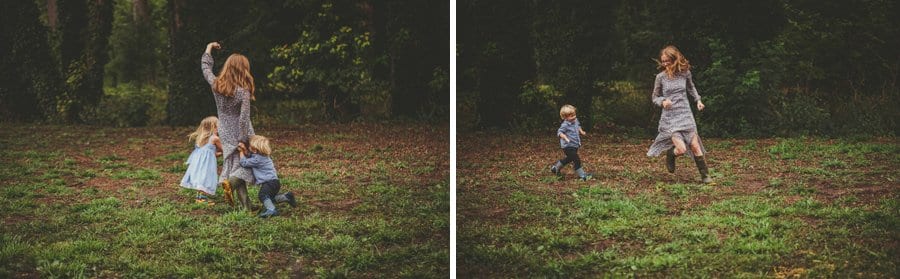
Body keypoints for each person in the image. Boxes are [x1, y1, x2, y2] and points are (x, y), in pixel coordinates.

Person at [201, 41, 256, 209]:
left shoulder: (217, 84)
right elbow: (243, 118)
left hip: (224, 129)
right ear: (243, 69)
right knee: (250, 165)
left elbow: (206, 69)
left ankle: (247, 205)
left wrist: (209, 49)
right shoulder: (243, 92)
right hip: (241, 131)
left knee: (235, 166)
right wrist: (243, 139)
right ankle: (229, 184)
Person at [646, 45, 712, 183]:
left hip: (686, 114)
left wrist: (698, 100)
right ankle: (671, 153)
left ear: (674, 60)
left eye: (667, 61)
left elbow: (691, 88)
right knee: (681, 149)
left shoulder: (685, 73)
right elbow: (654, 97)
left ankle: (705, 176)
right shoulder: (660, 77)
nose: (664, 64)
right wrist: (663, 101)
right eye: (662, 61)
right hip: (671, 117)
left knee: (694, 145)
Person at [238, 135, 297, 218]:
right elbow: (250, 155)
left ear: (255, 150)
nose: (248, 147)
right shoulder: (261, 156)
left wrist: (241, 151)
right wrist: (245, 150)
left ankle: (272, 210)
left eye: (249, 146)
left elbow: (244, 163)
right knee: (270, 198)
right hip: (274, 182)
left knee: (262, 195)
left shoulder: (258, 159)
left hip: (269, 183)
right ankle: (286, 197)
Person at [180, 116, 223, 204]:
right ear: (213, 126)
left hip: (198, 162)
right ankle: (202, 199)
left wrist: (216, 154)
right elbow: (224, 149)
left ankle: (199, 198)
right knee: (205, 178)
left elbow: (208, 152)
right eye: (219, 125)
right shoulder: (215, 138)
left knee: (201, 178)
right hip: (207, 164)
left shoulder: (200, 138)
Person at [549, 105, 593, 181]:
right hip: (567, 146)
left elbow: (578, 126)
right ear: (565, 117)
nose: (574, 117)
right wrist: (565, 137)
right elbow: (559, 132)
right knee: (576, 159)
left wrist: (581, 131)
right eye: (571, 116)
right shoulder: (565, 125)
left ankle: (556, 168)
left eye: (574, 115)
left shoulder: (575, 120)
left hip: (575, 144)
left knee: (569, 158)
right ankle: (582, 175)